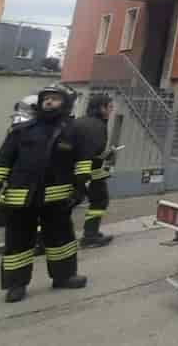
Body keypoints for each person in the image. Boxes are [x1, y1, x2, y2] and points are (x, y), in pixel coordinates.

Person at [0, 84, 90, 303]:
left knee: (61, 240)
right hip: (21, 199)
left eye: (54, 99)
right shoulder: (21, 131)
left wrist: (79, 189)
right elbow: (2, 162)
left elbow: (83, 163)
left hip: (57, 199)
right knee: (17, 242)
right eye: (46, 99)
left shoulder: (74, 132)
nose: (49, 102)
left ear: (65, 104)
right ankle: (16, 285)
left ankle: (64, 276)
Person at [75, 93, 114, 248]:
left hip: (83, 171)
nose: (111, 110)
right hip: (85, 173)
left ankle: (91, 234)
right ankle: (90, 236)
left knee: (98, 200)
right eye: (110, 107)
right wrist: (82, 181)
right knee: (99, 201)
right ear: (101, 108)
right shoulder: (97, 126)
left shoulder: (82, 122)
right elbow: (87, 153)